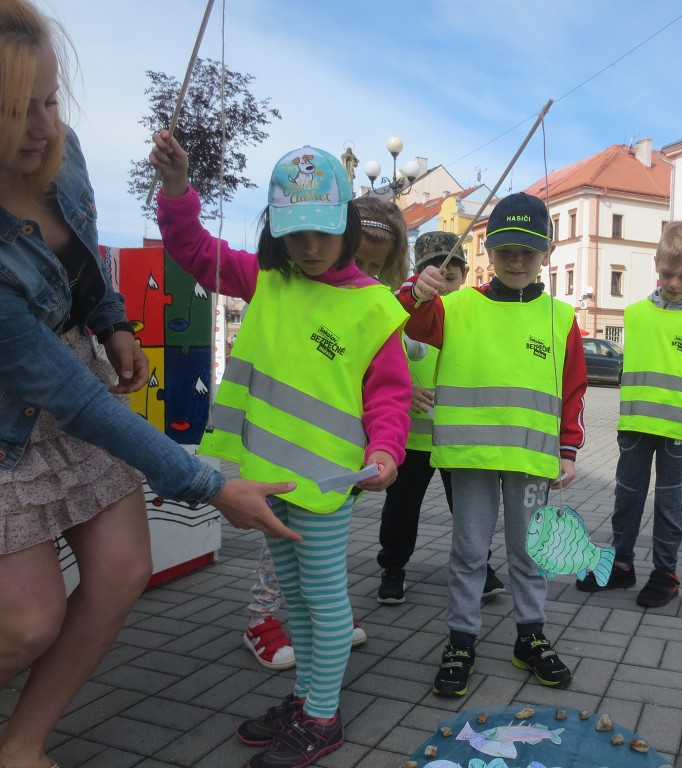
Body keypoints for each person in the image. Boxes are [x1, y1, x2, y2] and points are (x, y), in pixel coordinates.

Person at [0, 5, 295, 768]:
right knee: (25, 623)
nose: (41, 128)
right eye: (13, 110)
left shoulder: (60, 157)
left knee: (125, 570)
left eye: (50, 100)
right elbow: (76, 399)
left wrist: (115, 324)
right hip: (12, 416)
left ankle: (23, 744)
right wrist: (208, 484)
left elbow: (85, 267)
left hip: (72, 383)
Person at [150, 132, 411, 767]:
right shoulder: (268, 279)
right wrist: (179, 191)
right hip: (268, 480)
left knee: (324, 602)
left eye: (322, 231)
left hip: (326, 486)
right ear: (276, 233)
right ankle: (305, 700)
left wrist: (387, 453)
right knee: (294, 600)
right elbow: (192, 249)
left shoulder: (375, 307)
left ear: (346, 226)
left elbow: (389, 397)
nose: (310, 247)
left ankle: (322, 717)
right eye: (296, 233)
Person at [401, 192, 587, 697]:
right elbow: (406, 320)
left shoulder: (562, 318)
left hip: (530, 460)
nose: (518, 261)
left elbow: (573, 390)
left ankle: (530, 636)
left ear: (545, 252)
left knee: (529, 555)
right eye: (506, 250)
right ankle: (461, 638)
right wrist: (418, 290)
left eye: (528, 251)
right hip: (472, 457)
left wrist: (568, 449)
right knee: (468, 551)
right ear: (490, 252)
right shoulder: (456, 306)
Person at [241, 198, 410, 666]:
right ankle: (263, 619)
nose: (365, 274)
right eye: (361, 262)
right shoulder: (286, 284)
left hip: (333, 462)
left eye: (378, 268)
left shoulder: (369, 301)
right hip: (280, 459)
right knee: (285, 561)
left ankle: (319, 661)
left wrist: (384, 445)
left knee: (316, 573)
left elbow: (383, 377)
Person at [577, 221, 682, 607]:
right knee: (626, 497)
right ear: (655, 263)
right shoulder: (636, 313)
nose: (674, 282)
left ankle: (665, 572)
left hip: (678, 427)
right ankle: (622, 564)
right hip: (636, 424)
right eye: (667, 273)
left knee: (668, 501)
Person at [376, 231, 505, 605]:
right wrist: (405, 390)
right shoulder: (401, 308)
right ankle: (393, 567)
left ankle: (480, 566)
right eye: (433, 276)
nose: (443, 285)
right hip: (412, 437)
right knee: (401, 509)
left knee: (468, 510)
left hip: (458, 436)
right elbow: (382, 358)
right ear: (417, 276)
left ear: (464, 276)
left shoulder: (474, 311)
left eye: (451, 277)